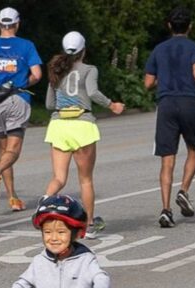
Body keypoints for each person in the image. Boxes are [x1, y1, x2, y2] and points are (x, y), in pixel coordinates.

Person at [43, 31, 125, 239]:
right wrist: (111, 105)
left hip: (59, 125)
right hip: (82, 126)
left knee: (59, 177)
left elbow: (49, 104)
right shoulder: (89, 69)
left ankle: (43, 207)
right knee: (85, 179)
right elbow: (93, 92)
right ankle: (88, 226)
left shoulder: (56, 69)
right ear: (83, 50)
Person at [0, 7, 42, 212]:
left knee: (4, 150)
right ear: (17, 24)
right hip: (16, 99)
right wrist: (21, 83)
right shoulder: (26, 46)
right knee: (14, 151)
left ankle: (13, 197)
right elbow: (37, 74)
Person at [144, 7, 195, 228]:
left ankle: (166, 210)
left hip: (166, 104)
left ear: (169, 25)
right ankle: (184, 190)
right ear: (190, 26)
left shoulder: (158, 50)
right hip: (189, 102)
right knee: (193, 148)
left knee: (167, 159)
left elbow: (148, 83)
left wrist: (164, 80)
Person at [13, 195, 111, 288]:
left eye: (61, 232)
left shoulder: (85, 260)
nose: (54, 238)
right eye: (47, 232)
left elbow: (101, 277)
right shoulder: (39, 261)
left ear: (77, 234)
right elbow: (23, 283)